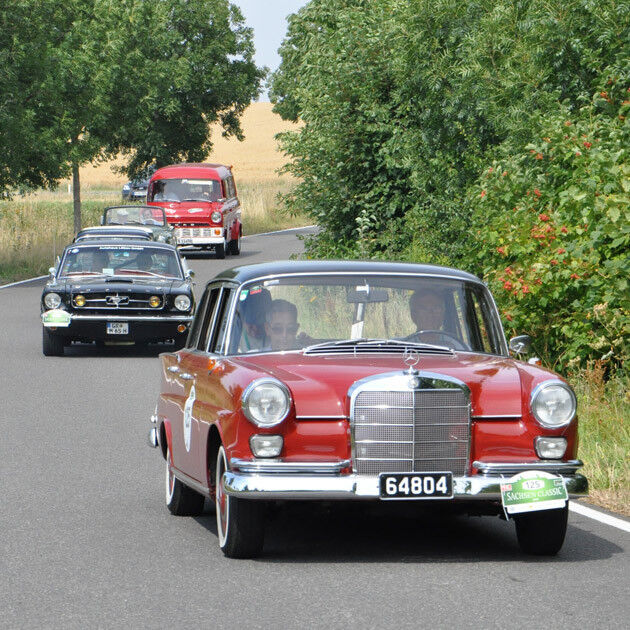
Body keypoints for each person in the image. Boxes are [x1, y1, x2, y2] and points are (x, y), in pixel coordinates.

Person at [239, 287, 272, 352]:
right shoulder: (236, 338)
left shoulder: (274, 335)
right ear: (243, 322)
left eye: (260, 325)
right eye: (250, 326)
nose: (255, 330)